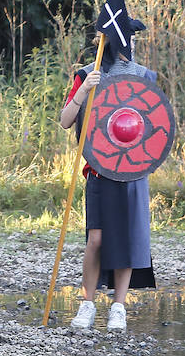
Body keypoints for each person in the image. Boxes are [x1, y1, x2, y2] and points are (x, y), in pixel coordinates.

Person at [59, 19, 157, 333]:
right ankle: (87, 303)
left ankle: (118, 306)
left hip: (131, 171)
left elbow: (152, 126)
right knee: (97, 240)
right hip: (98, 169)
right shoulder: (87, 74)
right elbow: (65, 121)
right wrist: (84, 90)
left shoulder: (143, 77)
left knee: (126, 240)